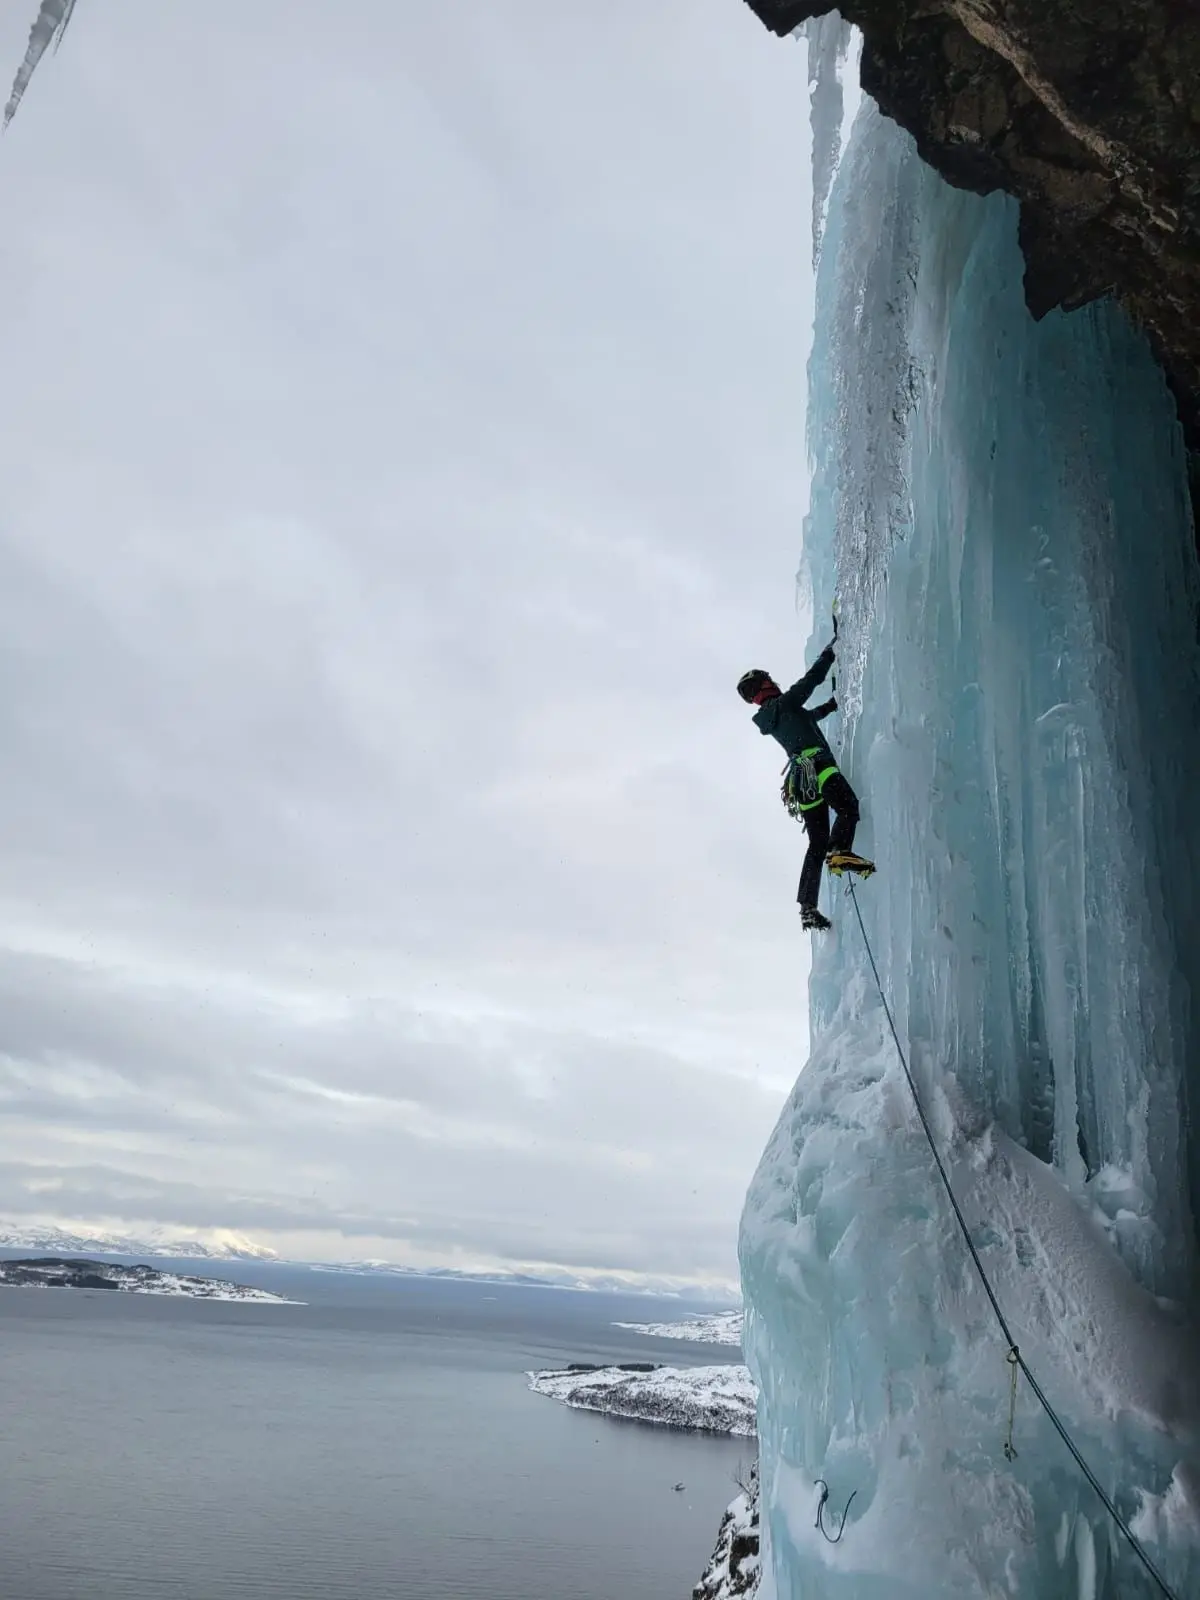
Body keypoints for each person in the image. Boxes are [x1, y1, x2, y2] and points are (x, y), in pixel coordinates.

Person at [737, 643, 874, 931]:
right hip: (819, 768)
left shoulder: (777, 717)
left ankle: (807, 907)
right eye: (768, 680)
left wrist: (834, 704)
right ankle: (839, 852)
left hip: (802, 781)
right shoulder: (785, 704)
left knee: (816, 842)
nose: (774, 682)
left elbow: (811, 716)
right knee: (848, 808)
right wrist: (829, 653)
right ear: (764, 685)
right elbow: (811, 681)